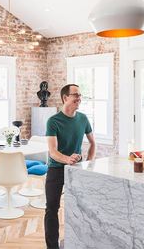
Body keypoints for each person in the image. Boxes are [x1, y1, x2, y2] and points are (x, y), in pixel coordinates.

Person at [44, 83, 96, 249]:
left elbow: (93, 143)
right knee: (52, 209)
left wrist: (88, 163)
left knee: (80, 206)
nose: (79, 98)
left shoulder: (83, 118)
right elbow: (52, 151)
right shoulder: (53, 121)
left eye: (80, 95)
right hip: (56, 169)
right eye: (76, 95)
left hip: (77, 169)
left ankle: (79, 242)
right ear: (65, 98)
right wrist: (67, 159)